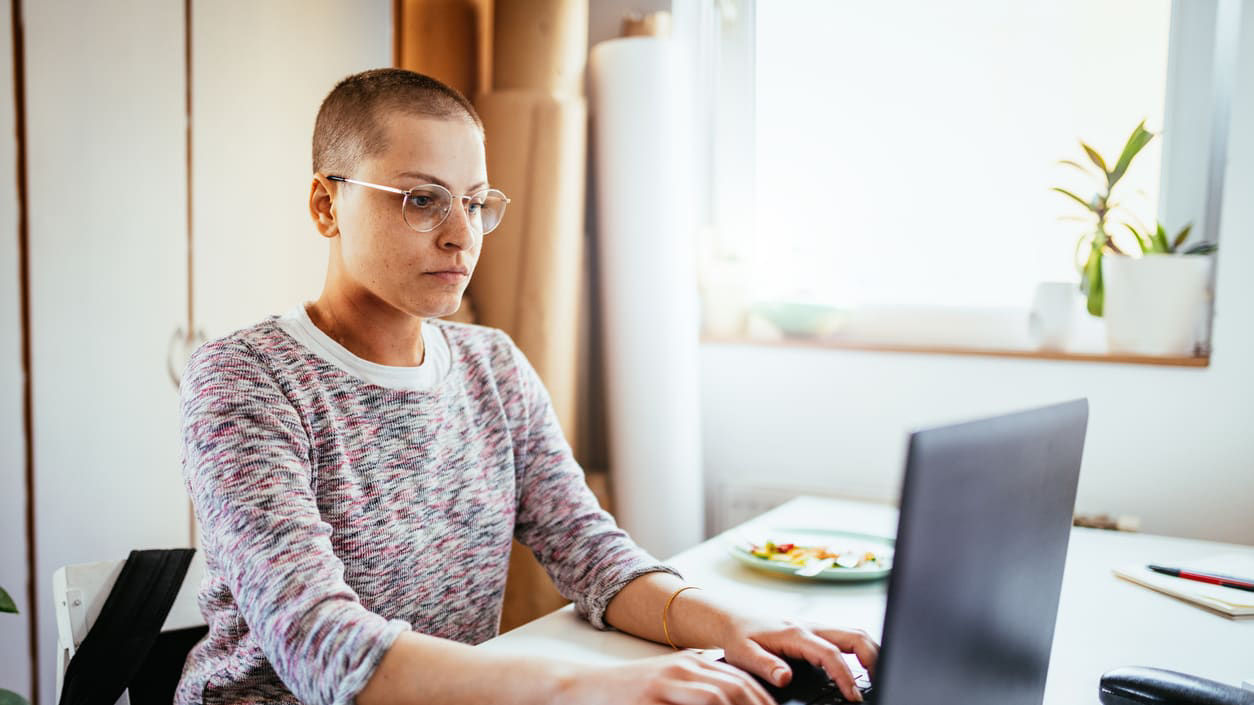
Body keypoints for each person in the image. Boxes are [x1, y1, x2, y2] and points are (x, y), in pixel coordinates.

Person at [176, 68, 878, 705]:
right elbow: (319, 644)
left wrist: (741, 625)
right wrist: (588, 685)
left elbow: (589, 551)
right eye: (423, 199)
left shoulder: (493, 367)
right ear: (327, 207)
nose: (462, 235)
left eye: (476, 203)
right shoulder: (245, 380)